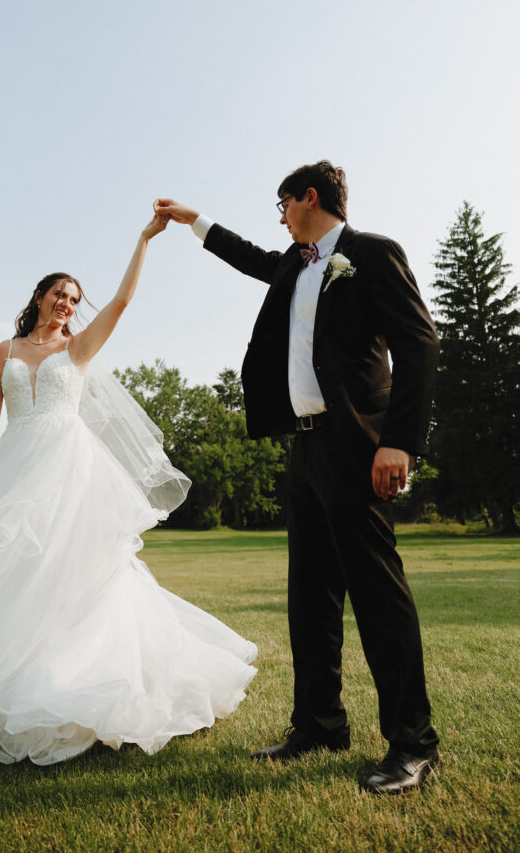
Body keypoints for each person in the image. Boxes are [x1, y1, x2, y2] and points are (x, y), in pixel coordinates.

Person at [0, 213, 257, 765]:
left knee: (74, 571)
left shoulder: (79, 349)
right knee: (9, 570)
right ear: (40, 297)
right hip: (16, 465)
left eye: (74, 298)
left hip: (68, 467)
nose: (67, 303)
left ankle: (68, 682)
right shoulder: (6, 352)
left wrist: (143, 241)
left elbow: (122, 303)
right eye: (59, 294)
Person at [155, 161, 440, 794]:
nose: (280, 217)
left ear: (309, 197)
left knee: (377, 595)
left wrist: (398, 442)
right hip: (304, 450)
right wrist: (192, 221)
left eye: (282, 204)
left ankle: (414, 744)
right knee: (309, 597)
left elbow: (419, 343)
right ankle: (318, 725)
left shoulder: (370, 254)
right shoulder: (295, 263)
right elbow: (251, 257)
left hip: (358, 446)